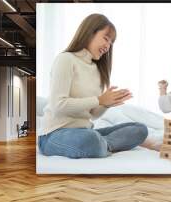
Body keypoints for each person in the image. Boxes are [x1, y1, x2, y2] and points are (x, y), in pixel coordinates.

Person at [39, 14, 148, 158]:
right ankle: (101, 145)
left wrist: (106, 103)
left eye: (111, 43)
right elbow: (58, 105)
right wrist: (100, 100)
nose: (108, 46)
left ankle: (102, 145)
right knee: (92, 139)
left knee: (140, 129)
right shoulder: (65, 60)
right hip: (55, 134)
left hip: (85, 132)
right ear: (90, 32)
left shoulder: (97, 70)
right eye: (106, 38)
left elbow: (92, 114)